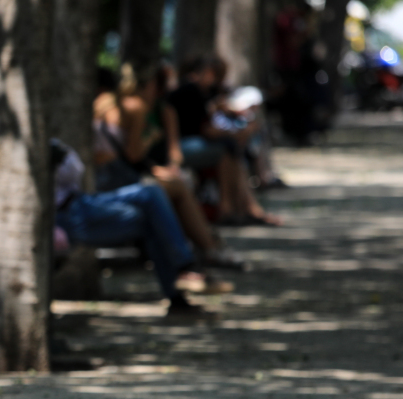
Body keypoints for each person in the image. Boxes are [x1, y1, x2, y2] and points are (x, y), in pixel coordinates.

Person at [94, 63, 246, 276]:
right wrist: (151, 139)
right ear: (149, 86)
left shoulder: (103, 102)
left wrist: (161, 167)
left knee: (175, 184)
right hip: (114, 178)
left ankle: (201, 247)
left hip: (101, 175)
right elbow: (134, 154)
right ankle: (201, 252)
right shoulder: (136, 107)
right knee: (178, 188)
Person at [53, 141, 213, 318]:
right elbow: (77, 170)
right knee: (153, 201)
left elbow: (77, 171)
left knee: (153, 200)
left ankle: (182, 284)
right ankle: (187, 266)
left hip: (81, 204)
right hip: (70, 215)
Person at [167, 56, 283, 226]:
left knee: (230, 149)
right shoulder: (191, 91)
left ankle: (240, 208)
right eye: (216, 73)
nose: (218, 78)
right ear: (205, 72)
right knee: (226, 149)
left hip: (194, 142)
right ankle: (231, 208)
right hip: (182, 145)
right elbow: (207, 130)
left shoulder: (204, 92)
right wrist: (235, 134)